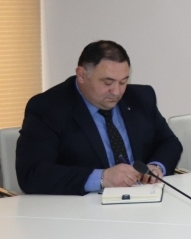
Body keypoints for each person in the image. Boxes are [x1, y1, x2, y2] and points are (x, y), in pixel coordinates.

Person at [15, 40, 182, 195]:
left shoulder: (141, 98)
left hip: (142, 198)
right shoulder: (48, 107)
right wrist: (102, 178)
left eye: (123, 82)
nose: (116, 92)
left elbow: (169, 142)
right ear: (81, 75)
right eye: (107, 83)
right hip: (82, 207)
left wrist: (156, 166)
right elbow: (32, 173)